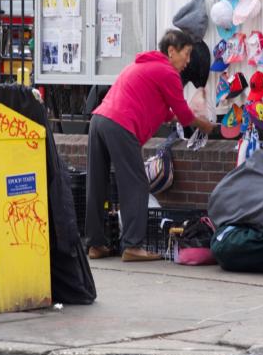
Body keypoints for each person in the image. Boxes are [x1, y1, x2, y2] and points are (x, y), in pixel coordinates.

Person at [85, 29, 217, 261]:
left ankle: (95, 244)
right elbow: (185, 115)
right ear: (171, 51)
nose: (188, 61)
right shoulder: (167, 72)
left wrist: (174, 116)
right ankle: (132, 246)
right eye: (186, 54)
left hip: (99, 120)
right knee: (136, 183)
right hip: (121, 124)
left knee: (97, 183)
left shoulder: (142, 65)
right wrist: (204, 125)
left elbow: (156, 106)